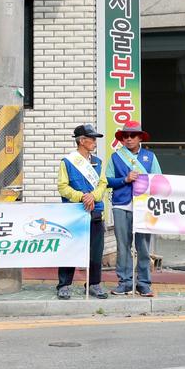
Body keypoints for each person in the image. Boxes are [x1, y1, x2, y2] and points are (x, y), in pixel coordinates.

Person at [106, 121, 161, 297]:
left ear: (140, 138)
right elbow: (107, 181)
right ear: (122, 140)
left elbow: (159, 181)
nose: (129, 139)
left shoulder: (150, 157)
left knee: (143, 247)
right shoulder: (115, 157)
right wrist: (125, 179)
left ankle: (144, 283)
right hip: (121, 205)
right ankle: (125, 282)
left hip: (144, 207)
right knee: (123, 246)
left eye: (133, 136)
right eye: (126, 136)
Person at [57, 123, 109, 300]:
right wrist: (82, 196)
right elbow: (63, 187)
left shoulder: (98, 162)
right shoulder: (67, 162)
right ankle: (64, 284)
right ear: (82, 141)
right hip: (74, 212)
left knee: (96, 250)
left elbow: (103, 184)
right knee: (70, 249)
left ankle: (94, 283)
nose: (95, 142)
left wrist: (92, 196)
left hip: (95, 211)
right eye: (92, 138)